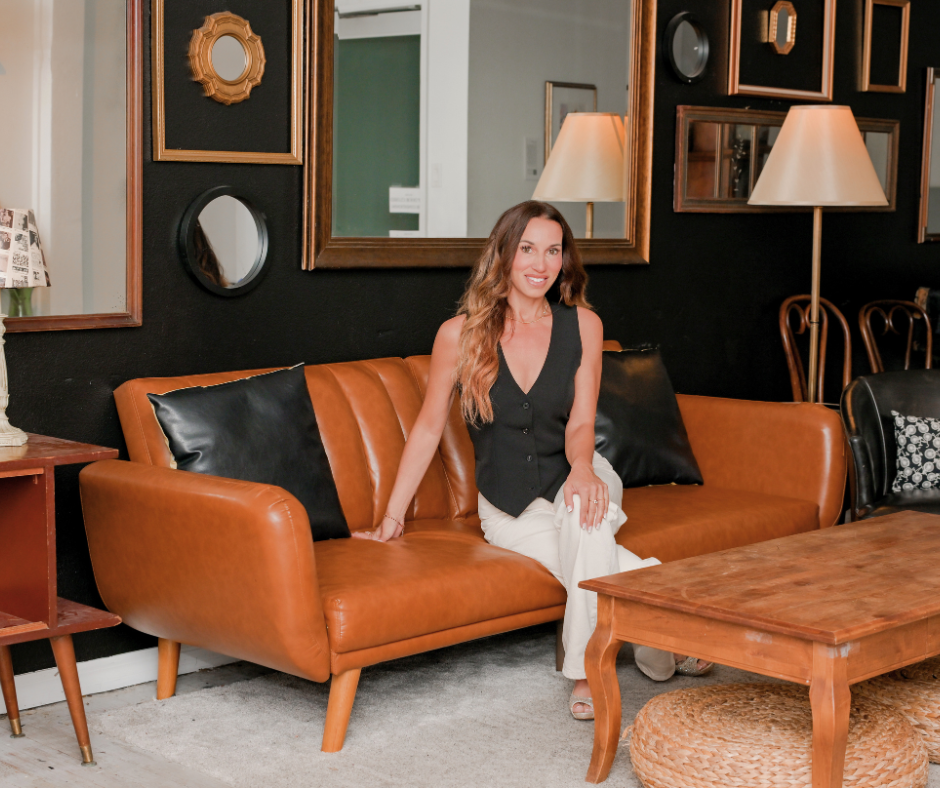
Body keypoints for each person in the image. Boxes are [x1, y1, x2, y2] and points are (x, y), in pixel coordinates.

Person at [353, 201, 711, 719]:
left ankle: (588, 672)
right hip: (508, 506)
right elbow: (428, 428)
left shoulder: (583, 325)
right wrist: (392, 517)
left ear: (565, 259)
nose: (541, 264)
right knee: (592, 548)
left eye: (553, 251)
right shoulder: (460, 334)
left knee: (585, 517)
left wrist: (584, 471)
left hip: (580, 473)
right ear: (504, 254)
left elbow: (581, 423)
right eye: (527, 249)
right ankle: (667, 627)